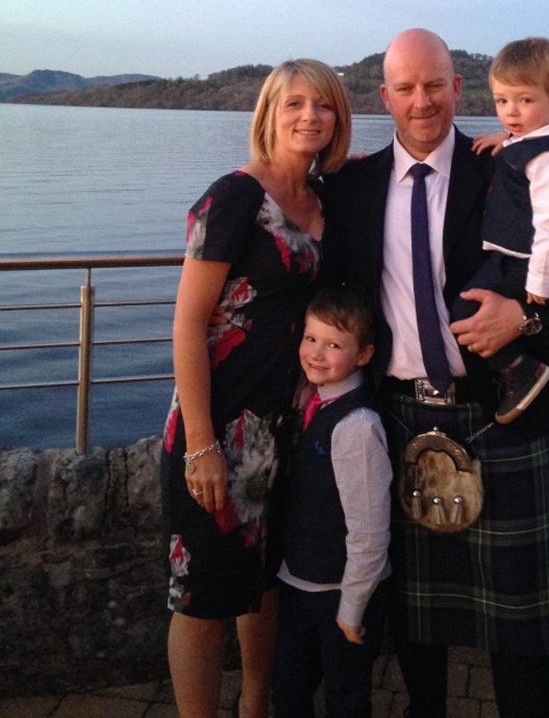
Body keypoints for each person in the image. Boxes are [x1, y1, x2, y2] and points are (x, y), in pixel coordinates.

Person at [324, 28, 549, 718]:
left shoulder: (509, 163)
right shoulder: (351, 188)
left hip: (502, 409)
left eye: (435, 84)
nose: (422, 101)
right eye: (406, 88)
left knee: (522, 624)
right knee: (416, 614)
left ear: (458, 87)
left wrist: (522, 319)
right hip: (399, 412)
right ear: (385, 96)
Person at [161, 59, 351, 718]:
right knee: (203, 597)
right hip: (218, 427)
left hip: (287, 428)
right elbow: (188, 322)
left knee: (265, 584)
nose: (309, 116)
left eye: (323, 105)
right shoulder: (234, 197)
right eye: (294, 103)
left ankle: (254, 705)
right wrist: (201, 444)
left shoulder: (324, 200)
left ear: (338, 118)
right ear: (269, 113)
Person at [452, 36, 549, 432]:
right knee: (527, 329)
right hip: (516, 254)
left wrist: (540, 281)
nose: (511, 111)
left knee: (466, 311)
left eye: (524, 100)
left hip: (528, 259)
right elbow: (530, 139)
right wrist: (506, 138)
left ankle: (520, 370)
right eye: (502, 101)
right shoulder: (536, 141)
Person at [272, 284, 392, 718]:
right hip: (299, 580)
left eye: (334, 345)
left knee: (346, 698)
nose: (316, 354)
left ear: (364, 355)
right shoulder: (312, 398)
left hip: (342, 592)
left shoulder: (357, 427)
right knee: (289, 689)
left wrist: (352, 607)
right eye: (310, 338)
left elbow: (369, 530)